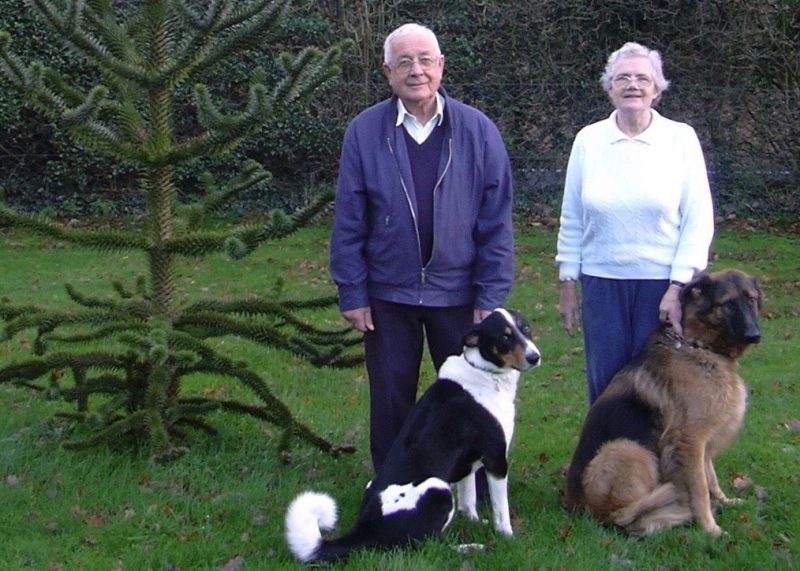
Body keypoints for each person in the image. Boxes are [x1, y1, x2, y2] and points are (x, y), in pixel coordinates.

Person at [330, 23, 514, 473]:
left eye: (425, 60)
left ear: (441, 66)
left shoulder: (477, 130)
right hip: (388, 295)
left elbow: (496, 221)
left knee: (470, 397)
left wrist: (489, 297)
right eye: (405, 62)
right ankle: (392, 484)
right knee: (392, 398)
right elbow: (349, 219)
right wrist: (352, 292)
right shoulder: (364, 132)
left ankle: (467, 484)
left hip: (460, 295)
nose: (417, 71)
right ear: (388, 72)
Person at [556, 41, 714, 404]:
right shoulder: (588, 141)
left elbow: (697, 219)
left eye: (643, 78)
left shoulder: (680, 139)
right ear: (609, 87)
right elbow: (572, 216)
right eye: (622, 77)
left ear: (657, 89)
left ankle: (657, 461)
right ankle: (606, 460)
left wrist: (678, 287)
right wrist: (568, 281)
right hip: (602, 283)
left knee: (658, 388)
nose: (633, 85)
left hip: (660, 286)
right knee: (607, 386)